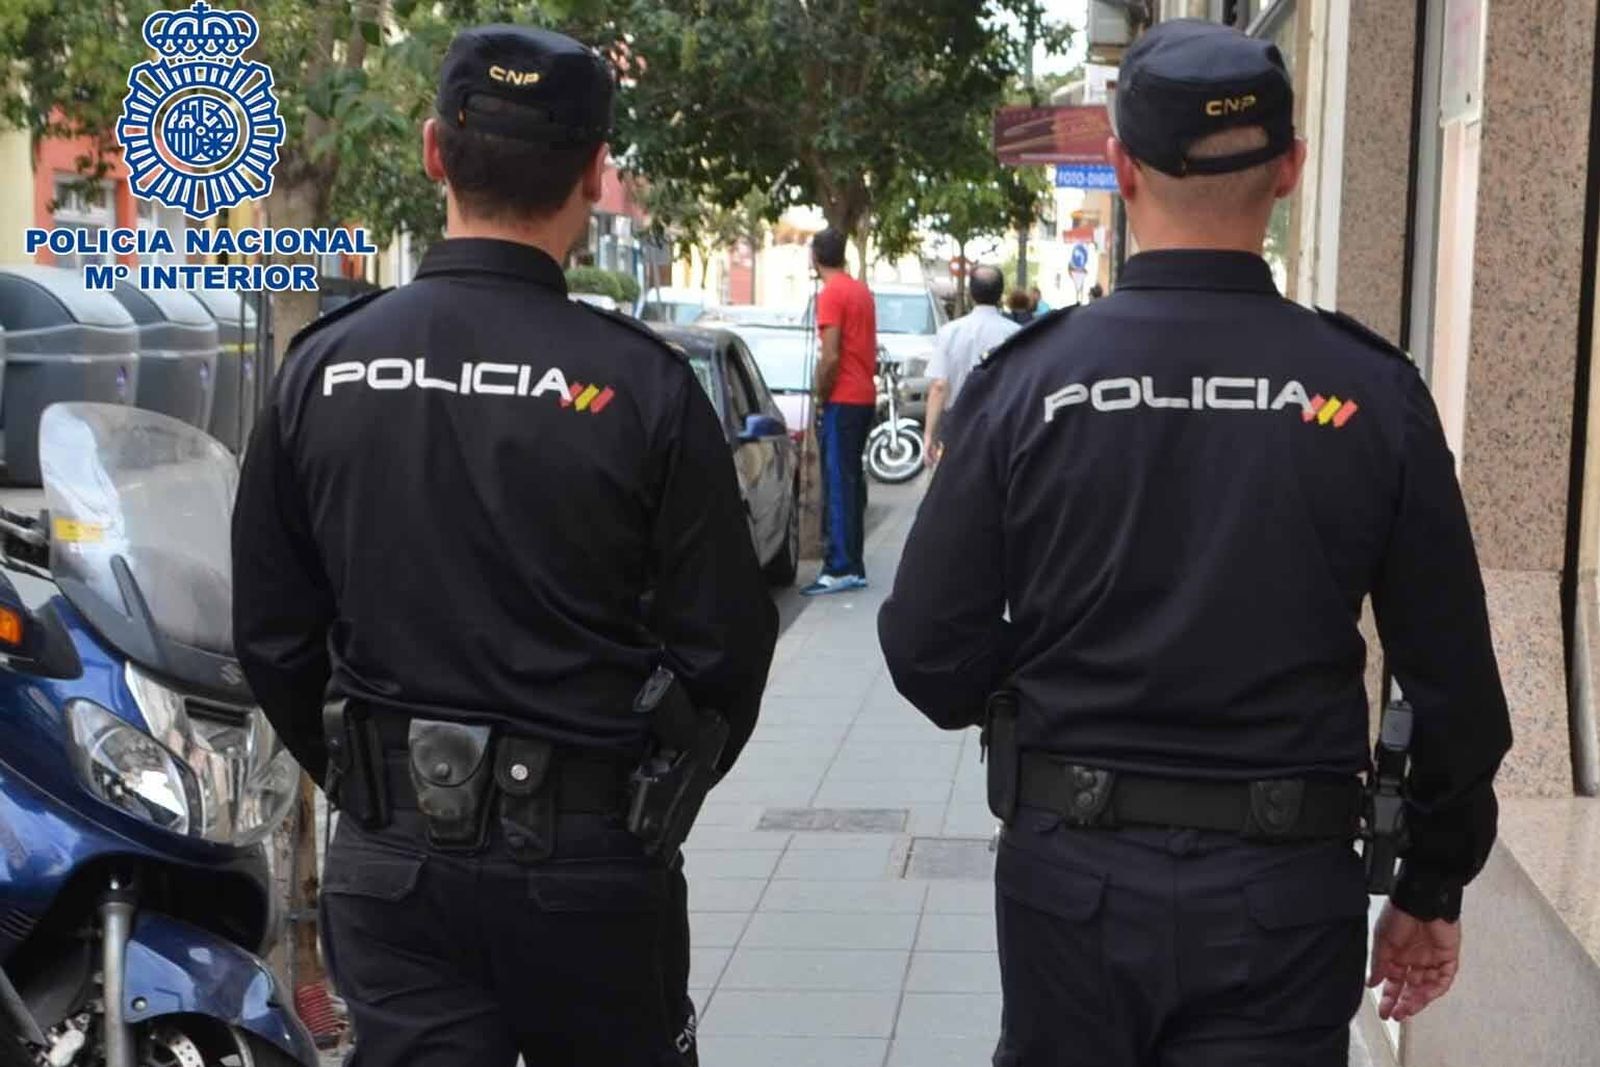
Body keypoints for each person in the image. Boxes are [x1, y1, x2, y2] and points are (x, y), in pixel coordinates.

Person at [878, 19, 1511, 1067]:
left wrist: (1043, 686)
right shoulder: (1370, 392)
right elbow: (1454, 690)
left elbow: (926, 649)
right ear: (1292, 171)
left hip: (1071, 879)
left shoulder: (1029, 383)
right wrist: (1430, 882)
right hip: (1280, 891)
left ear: (1121, 167)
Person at [232, 25, 777, 1067]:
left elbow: (270, 630)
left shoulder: (325, 367)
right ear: (594, 173)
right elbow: (726, 650)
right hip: (589, 857)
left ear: (435, 152)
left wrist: (368, 783)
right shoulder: (644, 385)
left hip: (394, 856)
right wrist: (643, 798)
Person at [804, 226, 878, 595]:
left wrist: (821, 393)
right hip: (863, 395)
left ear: (816, 257)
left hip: (843, 397)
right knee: (850, 481)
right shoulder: (860, 290)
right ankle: (854, 563)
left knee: (837, 483)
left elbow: (830, 354)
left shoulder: (831, 294)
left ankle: (840, 566)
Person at [924, 265, 1019, 468]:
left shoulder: (950, 332)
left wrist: (929, 435)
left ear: (970, 293)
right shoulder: (1016, 334)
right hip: (1002, 426)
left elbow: (939, 386)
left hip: (957, 424)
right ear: (1000, 293)